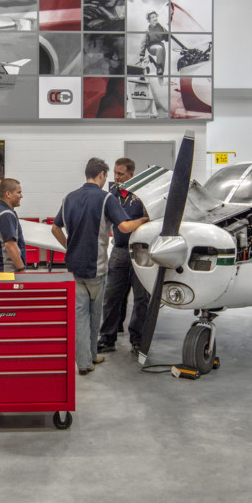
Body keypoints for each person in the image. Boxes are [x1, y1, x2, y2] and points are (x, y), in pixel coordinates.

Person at [51, 157, 150, 375]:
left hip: (74, 267)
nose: (112, 179)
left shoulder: (69, 198)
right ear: (101, 175)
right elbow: (124, 227)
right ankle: (88, 359)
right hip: (96, 267)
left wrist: (69, 247)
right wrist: (143, 221)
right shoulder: (106, 198)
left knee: (80, 314)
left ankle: (87, 359)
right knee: (94, 313)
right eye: (110, 175)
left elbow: (55, 229)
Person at [99, 158, 151, 353]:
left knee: (141, 298)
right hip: (119, 250)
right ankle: (107, 338)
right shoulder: (112, 195)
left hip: (141, 251)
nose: (116, 177)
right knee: (111, 295)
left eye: (120, 174)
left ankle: (138, 340)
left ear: (131, 174)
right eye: (115, 173)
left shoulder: (143, 196)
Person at [0, 178, 26, 272]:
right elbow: (10, 245)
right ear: (8, 194)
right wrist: (21, 269)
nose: (21, 196)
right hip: (5, 271)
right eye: (18, 192)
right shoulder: (5, 214)